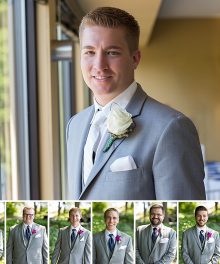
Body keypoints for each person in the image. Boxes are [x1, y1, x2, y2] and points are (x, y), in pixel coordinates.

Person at [66, 6, 206, 200]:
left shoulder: (171, 127)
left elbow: (182, 220)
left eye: (112, 52)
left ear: (135, 59)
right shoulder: (75, 125)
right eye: (89, 52)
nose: (99, 65)